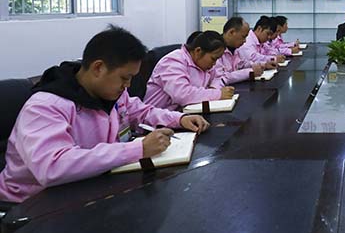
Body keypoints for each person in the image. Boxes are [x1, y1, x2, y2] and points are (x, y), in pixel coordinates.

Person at [0, 26, 210, 203]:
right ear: (98, 68)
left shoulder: (111, 93)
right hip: (33, 204)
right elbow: (53, 166)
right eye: (124, 78)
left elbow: (141, 111)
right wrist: (137, 149)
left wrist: (179, 118)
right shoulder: (45, 106)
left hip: (90, 186)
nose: (128, 85)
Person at [144, 31, 234, 110]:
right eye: (213, 59)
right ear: (198, 51)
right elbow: (182, 95)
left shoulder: (203, 64)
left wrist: (213, 87)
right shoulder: (173, 61)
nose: (214, 63)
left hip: (183, 114)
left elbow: (218, 77)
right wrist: (217, 94)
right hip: (158, 119)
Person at [215, 16, 264, 85]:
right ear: (231, 32)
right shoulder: (215, 49)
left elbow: (242, 64)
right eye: (243, 37)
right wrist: (250, 72)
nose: (245, 41)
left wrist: (258, 65)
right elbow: (222, 77)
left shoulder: (236, 48)